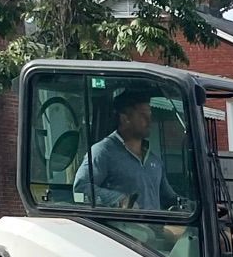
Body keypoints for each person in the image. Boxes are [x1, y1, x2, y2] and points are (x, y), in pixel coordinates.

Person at [75, 84, 184, 212]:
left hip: (154, 230)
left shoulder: (153, 159)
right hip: (119, 231)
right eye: (143, 115)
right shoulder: (103, 152)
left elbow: (169, 197)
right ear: (125, 118)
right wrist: (120, 200)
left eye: (150, 114)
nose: (149, 121)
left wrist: (191, 205)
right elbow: (81, 188)